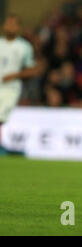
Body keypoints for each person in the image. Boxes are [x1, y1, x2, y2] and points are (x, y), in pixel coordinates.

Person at [0, 15, 39, 153]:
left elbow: (32, 70)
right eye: (8, 23)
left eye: (13, 24)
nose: (10, 27)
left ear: (18, 28)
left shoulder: (24, 47)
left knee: (1, 118)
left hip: (11, 88)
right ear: (3, 26)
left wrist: (15, 75)